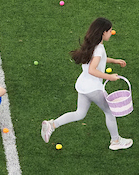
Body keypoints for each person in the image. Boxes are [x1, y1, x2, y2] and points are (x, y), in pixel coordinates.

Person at [40, 17, 133, 151]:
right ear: (103, 33)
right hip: (93, 89)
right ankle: (116, 140)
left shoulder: (92, 46)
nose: (111, 32)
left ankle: (52, 124)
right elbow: (92, 69)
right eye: (110, 30)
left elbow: (98, 61)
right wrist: (110, 77)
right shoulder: (99, 49)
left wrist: (115, 61)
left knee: (80, 114)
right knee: (110, 112)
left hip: (83, 86)